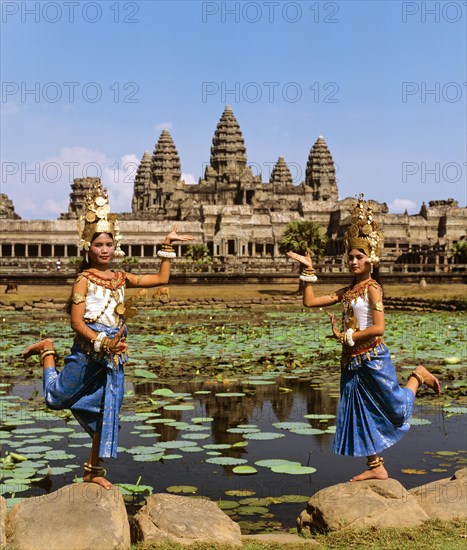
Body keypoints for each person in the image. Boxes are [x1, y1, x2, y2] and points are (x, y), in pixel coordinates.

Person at [22, 181, 193, 489]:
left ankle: (92, 471)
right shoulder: (83, 280)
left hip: (113, 354)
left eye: (109, 245)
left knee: (107, 412)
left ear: (117, 247)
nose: (104, 250)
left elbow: (161, 278)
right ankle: (47, 351)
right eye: (98, 245)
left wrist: (167, 245)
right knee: (54, 399)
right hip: (89, 351)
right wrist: (102, 341)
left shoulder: (121, 277)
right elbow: (77, 324)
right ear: (87, 248)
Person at [287, 194, 440, 482]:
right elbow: (309, 302)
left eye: (359, 257)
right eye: (351, 257)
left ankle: (417, 376)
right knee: (358, 411)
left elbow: (379, 328)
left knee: (394, 406)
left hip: (372, 357)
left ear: (371, 259)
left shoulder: (373, 289)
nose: (353, 262)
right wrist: (308, 269)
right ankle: (376, 466)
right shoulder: (346, 292)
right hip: (351, 361)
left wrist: (348, 334)